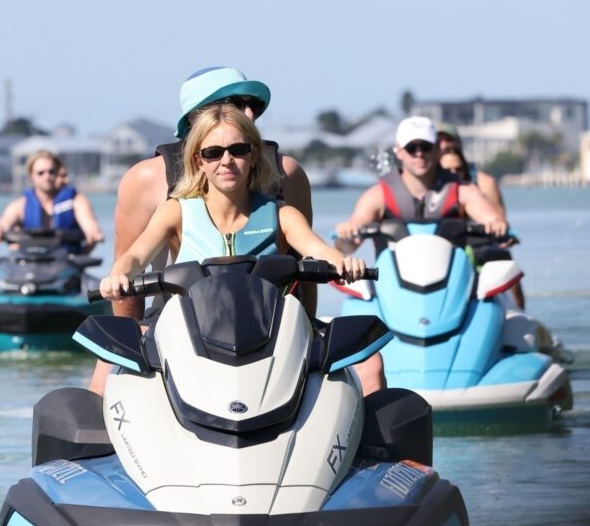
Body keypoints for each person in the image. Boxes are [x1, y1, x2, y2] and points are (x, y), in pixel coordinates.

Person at [89, 66, 386, 395]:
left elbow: (311, 252)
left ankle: (369, 442)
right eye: (234, 103)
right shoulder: (170, 203)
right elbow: (130, 258)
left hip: (269, 323)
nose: (247, 113)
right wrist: (124, 314)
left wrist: (338, 266)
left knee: (369, 362)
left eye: (252, 108)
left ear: (252, 153)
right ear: (197, 142)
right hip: (181, 323)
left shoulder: (280, 201)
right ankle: (99, 445)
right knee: (108, 365)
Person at [99, 104, 367, 303]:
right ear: (198, 162)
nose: (226, 160)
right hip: (189, 343)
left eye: (238, 150)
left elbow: (319, 249)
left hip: (267, 340)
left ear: (253, 156)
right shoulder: (176, 211)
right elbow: (135, 256)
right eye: (213, 153)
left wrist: (343, 263)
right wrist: (118, 275)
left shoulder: (281, 215)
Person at [334, 116, 508, 245]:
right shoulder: (378, 195)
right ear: (399, 151)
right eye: (411, 148)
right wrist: (347, 232)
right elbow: (349, 242)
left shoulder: (461, 190)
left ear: (436, 149)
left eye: (425, 147)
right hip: (393, 287)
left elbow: (491, 218)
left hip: (452, 286)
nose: (419, 154)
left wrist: (496, 225)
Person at [438, 129, 525, 308]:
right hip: (444, 249)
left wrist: (500, 228)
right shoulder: (429, 186)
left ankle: (519, 314)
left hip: (481, 246)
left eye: (458, 169)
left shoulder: (482, 182)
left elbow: (499, 220)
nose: (454, 173)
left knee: (504, 258)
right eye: (440, 144)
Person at [0, 150, 104, 250]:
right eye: (41, 173)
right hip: (30, 265)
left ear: (57, 173)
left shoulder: (76, 201)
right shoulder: (19, 206)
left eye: (51, 172)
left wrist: (93, 232)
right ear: (31, 176)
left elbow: (89, 223)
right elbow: (4, 223)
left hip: (67, 263)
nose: (47, 177)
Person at [436, 123, 507, 219]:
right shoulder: (430, 182)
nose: (443, 145)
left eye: (449, 140)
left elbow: (500, 222)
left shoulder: (483, 182)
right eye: (438, 142)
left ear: (459, 144)